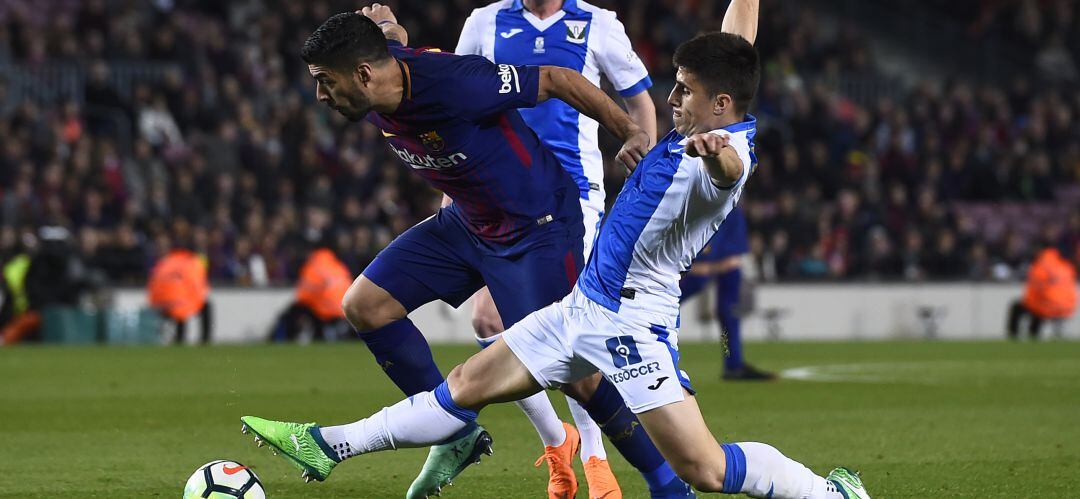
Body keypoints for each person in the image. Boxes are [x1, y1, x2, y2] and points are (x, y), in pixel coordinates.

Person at [241, 7, 871, 499]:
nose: (669, 101)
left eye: (682, 92)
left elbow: (732, 171)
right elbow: (738, 48)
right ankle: (328, 444)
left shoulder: (721, 155)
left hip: (633, 322)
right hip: (582, 307)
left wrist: (721, 155)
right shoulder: (707, 112)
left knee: (705, 469)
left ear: (722, 107)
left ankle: (824, 489)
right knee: (465, 384)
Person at [296, 7, 683, 498]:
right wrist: (388, 23)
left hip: (534, 227)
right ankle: (455, 435)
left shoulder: (456, 84)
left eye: (325, 81)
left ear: (364, 74)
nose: (320, 95)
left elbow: (558, 79)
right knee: (365, 305)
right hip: (467, 221)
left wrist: (629, 131)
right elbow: (390, 38)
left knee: (576, 375)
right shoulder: (382, 66)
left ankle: (665, 481)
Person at [454, 0, 657, 496]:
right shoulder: (485, 21)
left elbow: (641, 101)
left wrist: (647, 169)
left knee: (566, 326)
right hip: (496, 193)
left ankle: (594, 456)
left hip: (573, 195)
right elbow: (455, 104)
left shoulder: (598, 24)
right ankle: (557, 440)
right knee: (486, 320)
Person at [679, 207, 774, 380]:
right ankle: (732, 363)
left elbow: (732, 262)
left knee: (727, 312)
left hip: (720, 220)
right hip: (709, 219)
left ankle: (732, 362)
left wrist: (708, 268)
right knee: (673, 298)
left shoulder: (733, 214)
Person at [271, 244, 353, 342]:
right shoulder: (339, 266)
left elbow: (304, 294)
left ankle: (282, 337)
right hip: (344, 310)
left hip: (325, 310)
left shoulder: (313, 265)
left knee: (293, 312)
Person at [147, 239, 212, 344]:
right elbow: (197, 284)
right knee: (194, 305)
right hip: (177, 302)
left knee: (180, 305)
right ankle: (204, 339)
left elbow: (152, 282)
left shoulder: (164, 263)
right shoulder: (191, 262)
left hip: (162, 302)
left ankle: (179, 339)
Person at [1007, 243, 1077, 339]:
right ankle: (1034, 334)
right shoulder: (1066, 266)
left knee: (1026, 306)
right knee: (1037, 307)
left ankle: (1016, 335)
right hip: (1066, 307)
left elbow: (1038, 289)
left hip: (1047, 304)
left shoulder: (1040, 266)